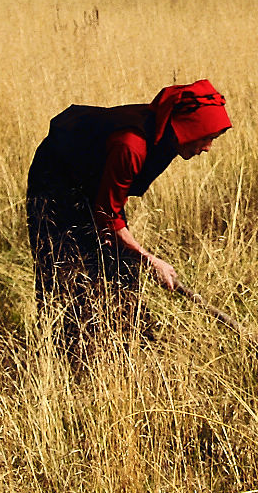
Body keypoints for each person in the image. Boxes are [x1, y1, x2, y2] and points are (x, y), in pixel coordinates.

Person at [26, 79, 232, 358]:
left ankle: (129, 340)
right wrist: (150, 259)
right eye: (207, 137)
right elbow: (106, 214)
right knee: (65, 266)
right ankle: (70, 353)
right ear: (188, 128)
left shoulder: (166, 136)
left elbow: (110, 205)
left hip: (93, 183)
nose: (207, 147)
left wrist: (134, 254)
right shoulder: (132, 145)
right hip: (56, 184)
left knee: (119, 264)